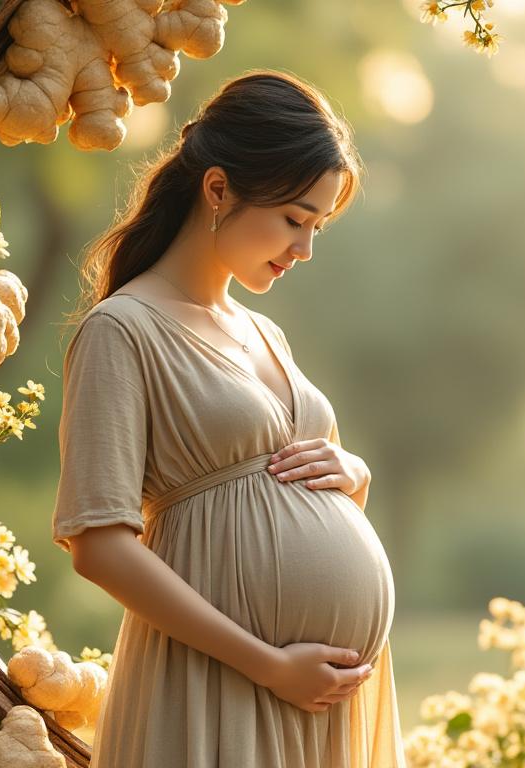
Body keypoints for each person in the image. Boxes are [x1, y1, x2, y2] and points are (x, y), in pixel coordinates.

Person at [51, 69, 404, 767]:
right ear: (218, 190)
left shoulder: (265, 333)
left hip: (323, 697)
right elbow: (99, 543)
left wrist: (353, 476)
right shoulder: (123, 330)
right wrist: (267, 664)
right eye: (294, 219)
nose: (304, 249)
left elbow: (289, 488)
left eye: (318, 226)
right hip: (218, 684)